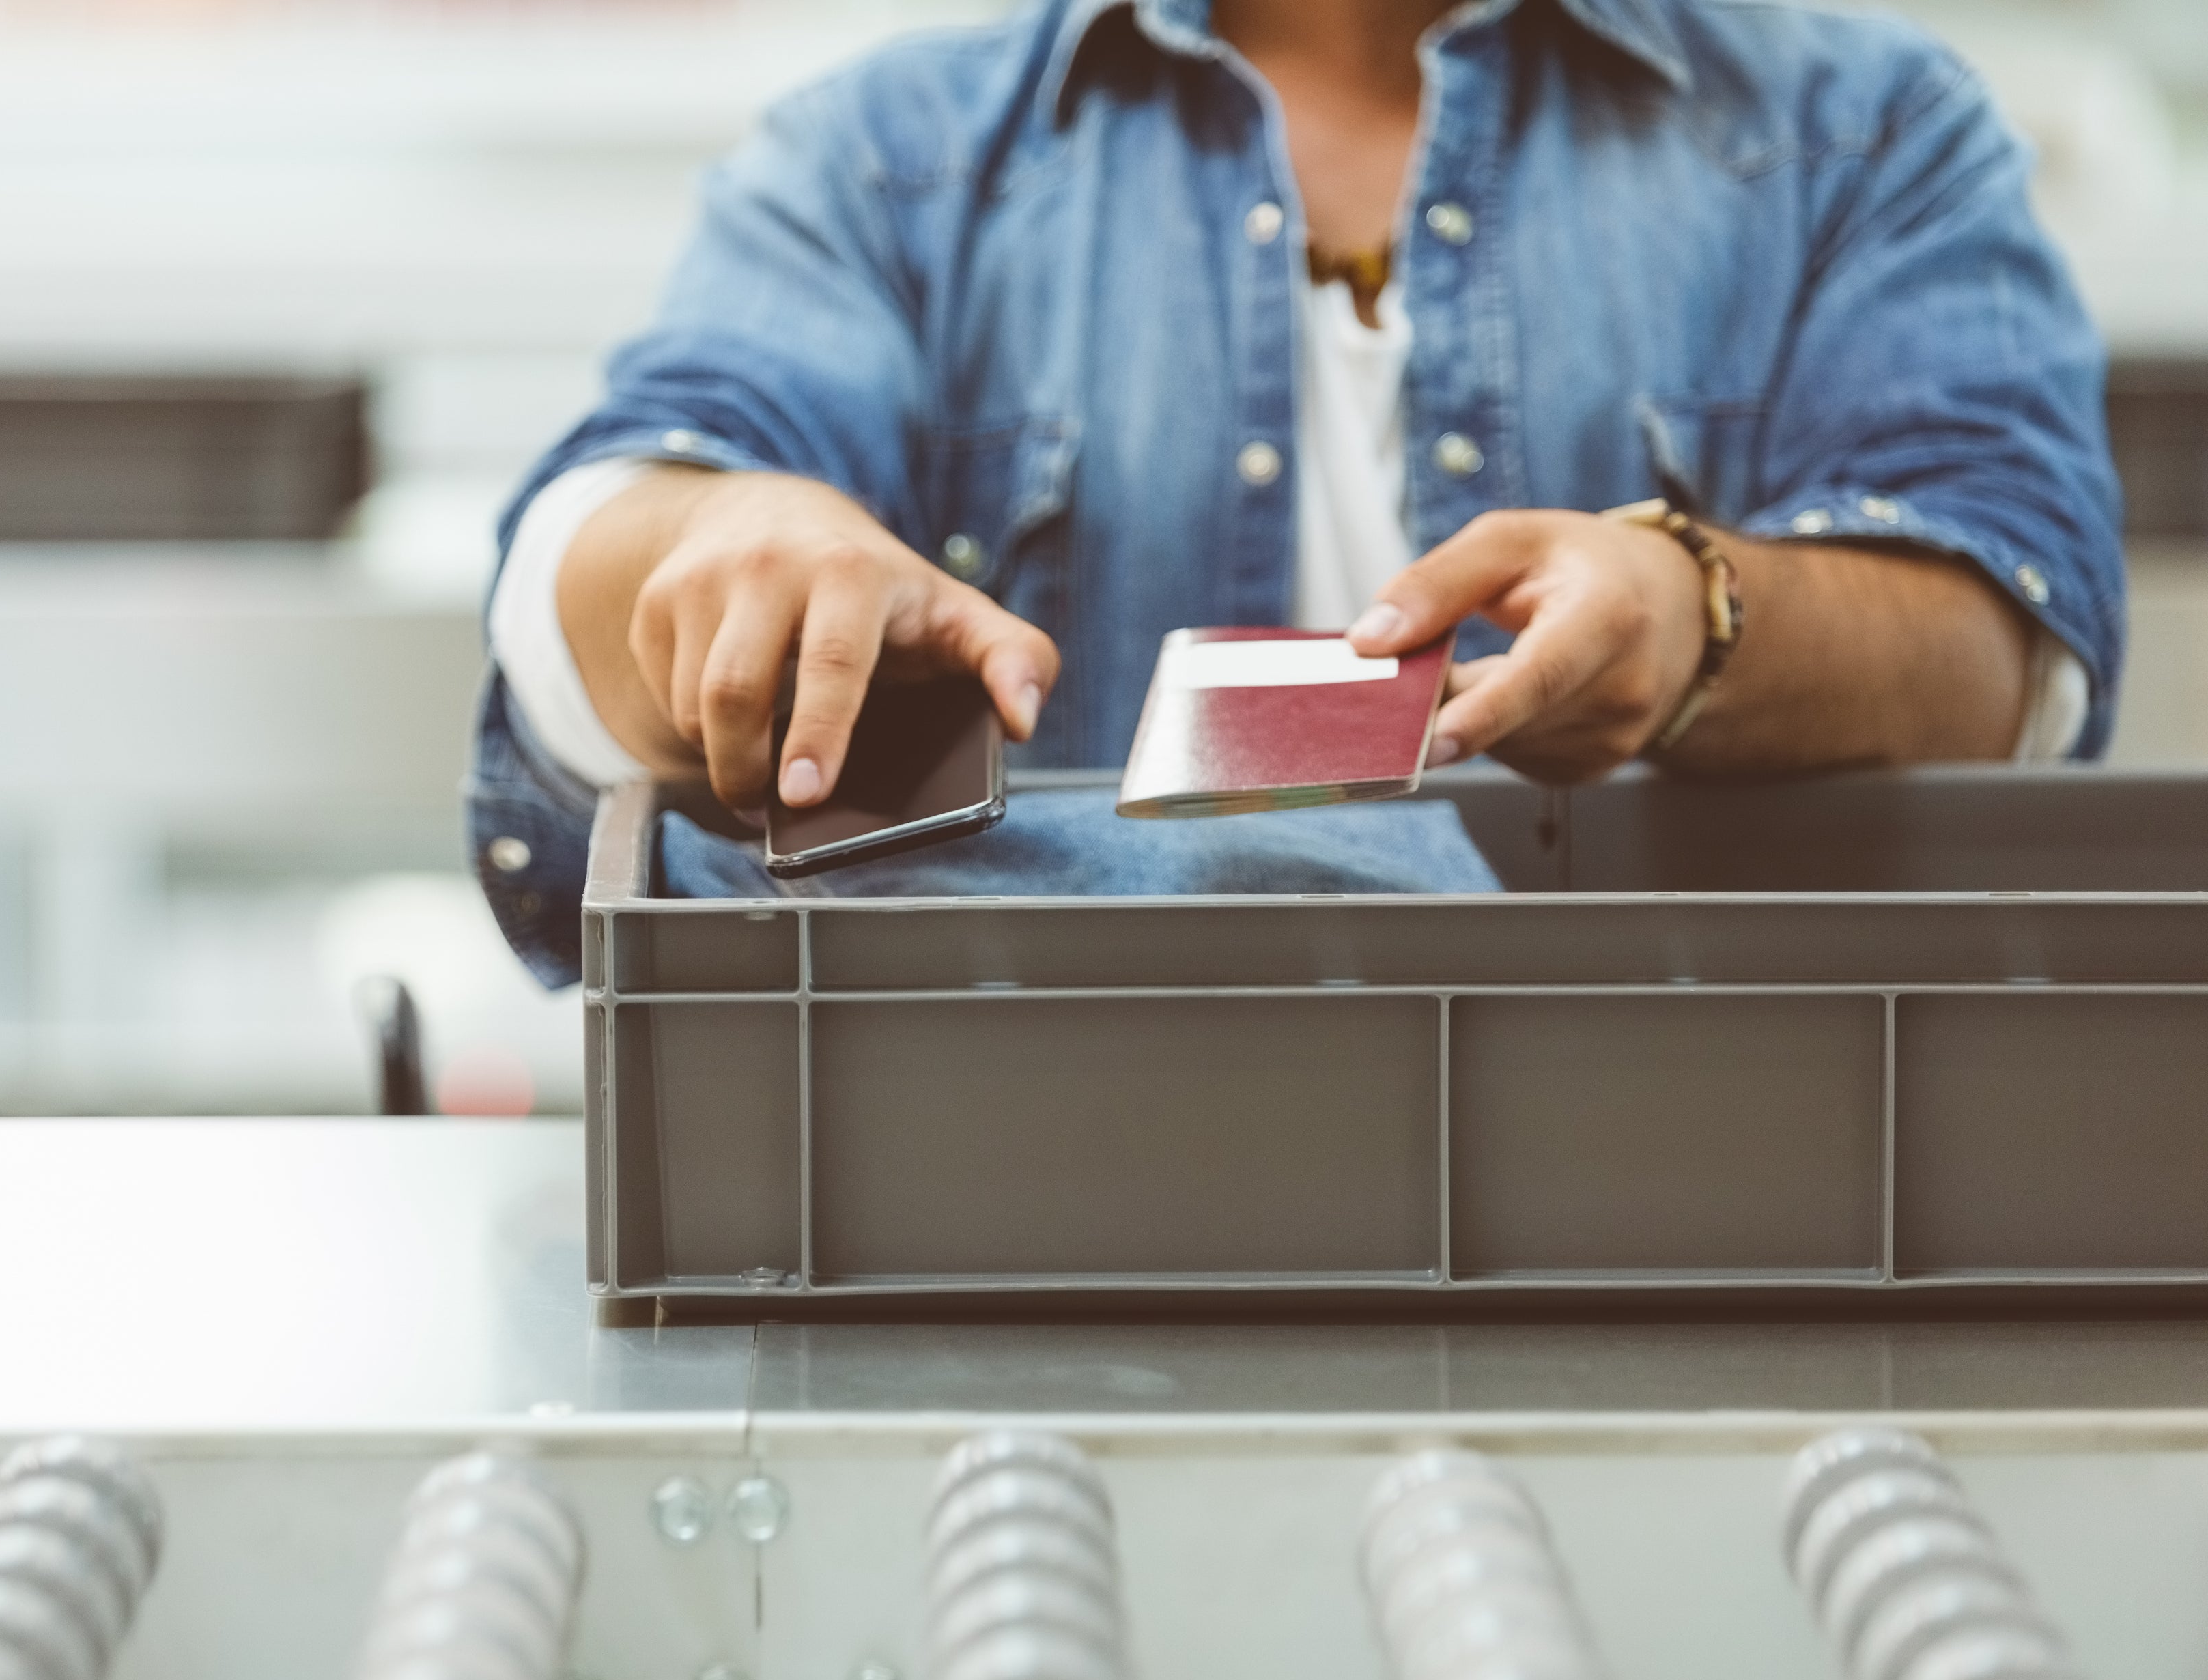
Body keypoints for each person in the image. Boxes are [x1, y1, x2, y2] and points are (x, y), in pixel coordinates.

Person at [470, 0, 2124, 986]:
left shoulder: (1867, 133)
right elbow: (612, 536)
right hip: (1031, 1187)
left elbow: (2011, 644)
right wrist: (721, 542)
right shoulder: (883, 163)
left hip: (1692, 1173)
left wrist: (1703, 619)